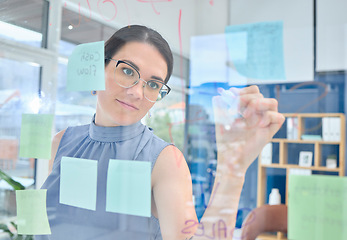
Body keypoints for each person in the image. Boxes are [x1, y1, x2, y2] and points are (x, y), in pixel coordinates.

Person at [36, 25, 284, 240]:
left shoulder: (163, 160)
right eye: (127, 71)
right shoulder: (61, 143)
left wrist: (233, 169)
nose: (137, 92)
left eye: (153, 85)